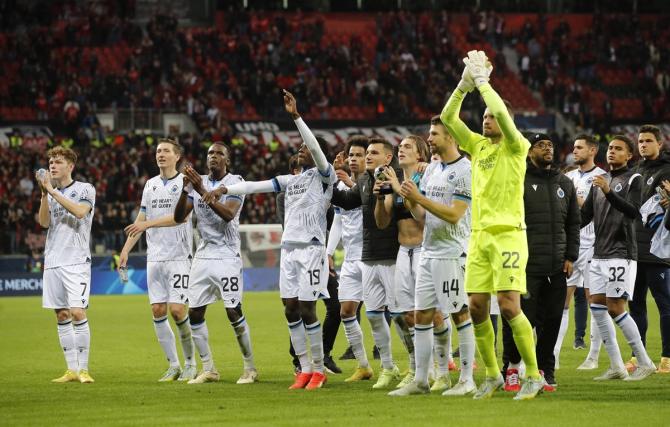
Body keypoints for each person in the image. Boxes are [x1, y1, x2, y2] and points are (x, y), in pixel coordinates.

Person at [210, 90, 334, 390]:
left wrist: (296, 116)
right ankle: (303, 368)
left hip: (312, 251)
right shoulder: (291, 181)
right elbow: (254, 186)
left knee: (307, 308)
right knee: (290, 309)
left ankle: (319, 369)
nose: (303, 149)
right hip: (289, 252)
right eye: (301, 147)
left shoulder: (324, 176)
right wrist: (225, 191)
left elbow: (316, 149)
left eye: (307, 148)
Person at [440, 50, 543, 400]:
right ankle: (492, 375)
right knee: (476, 307)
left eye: (490, 117)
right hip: (479, 236)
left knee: (510, 305)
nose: (486, 120)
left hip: (509, 235)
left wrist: (485, 83)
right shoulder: (478, 146)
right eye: (482, 117)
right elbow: (447, 117)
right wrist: (464, 85)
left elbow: (500, 110)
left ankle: (532, 374)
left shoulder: (517, 146)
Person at [388, 117, 476, 396]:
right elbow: (421, 216)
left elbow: (454, 214)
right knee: (422, 315)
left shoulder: (465, 171)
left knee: (459, 314)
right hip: (429, 251)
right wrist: (412, 199)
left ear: (451, 136)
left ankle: (466, 379)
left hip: (452, 253)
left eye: (435, 133)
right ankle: (422, 380)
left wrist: (420, 198)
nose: (430, 137)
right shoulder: (432, 169)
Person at [173, 142, 257, 384]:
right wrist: (184, 190)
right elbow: (180, 217)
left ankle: (250, 368)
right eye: (210, 153)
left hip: (227, 256)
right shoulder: (197, 182)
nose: (214, 157)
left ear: (227, 160)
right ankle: (209, 368)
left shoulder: (235, 182)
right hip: (203, 255)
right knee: (195, 312)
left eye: (219, 153)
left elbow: (228, 215)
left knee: (233, 311)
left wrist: (199, 189)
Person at [501, 133, 580, 393]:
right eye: (540, 145)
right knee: (521, 319)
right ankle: (512, 368)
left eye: (550, 145)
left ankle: (546, 371)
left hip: (557, 266)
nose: (547, 149)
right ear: (529, 151)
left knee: (553, 322)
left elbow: (573, 223)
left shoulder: (565, 183)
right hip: (526, 265)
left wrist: (570, 256)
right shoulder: (518, 180)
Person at [119, 138, 196, 382]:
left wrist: (147, 223)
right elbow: (140, 218)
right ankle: (173, 365)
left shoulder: (186, 183)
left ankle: (191, 364)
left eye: (165, 151)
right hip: (155, 258)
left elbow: (180, 218)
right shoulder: (150, 185)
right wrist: (125, 250)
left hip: (179, 256)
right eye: (158, 151)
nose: (160, 154)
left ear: (177, 156)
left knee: (177, 310)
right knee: (157, 309)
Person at [581, 135, 656, 381]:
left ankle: (645, 362)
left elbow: (633, 211)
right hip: (599, 254)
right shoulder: (599, 182)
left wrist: (608, 191)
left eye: (618, 149)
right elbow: (584, 217)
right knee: (598, 307)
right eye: (610, 148)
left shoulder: (635, 179)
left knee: (616, 306)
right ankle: (616, 366)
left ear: (629, 155)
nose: (612, 152)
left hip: (621, 254)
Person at [331, 137, 403, 389]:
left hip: (394, 256)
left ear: (388, 158)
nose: (368, 157)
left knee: (403, 315)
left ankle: (420, 367)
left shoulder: (398, 178)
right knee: (372, 315)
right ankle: (387, 367)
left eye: (372, 153)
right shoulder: (363, 181)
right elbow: (345, 201)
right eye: (366, 153)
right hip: (368, 255)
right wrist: (324, 176)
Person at [373, 135, 431, 389]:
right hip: (402, 251)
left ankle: (438, 371)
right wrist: (379, 197)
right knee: (407, 314)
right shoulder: (393, 178)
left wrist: (397, 186)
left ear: (420, 154)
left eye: (408, 146)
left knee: (431, 313)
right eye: (400, 147)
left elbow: (422, 219)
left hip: (423, 249)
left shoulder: (424, 176)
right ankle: (418, 370)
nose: (401, 150)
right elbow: (382, 222)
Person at [277, 154, 342, 376]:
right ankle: (302, 364)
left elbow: (333, 219)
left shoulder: (320, 185)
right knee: (295, 306)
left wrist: (328, 252)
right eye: (294, 170)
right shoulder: (285, 196)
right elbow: (289, 224)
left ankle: (323, 359)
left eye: (301, 170)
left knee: (333, 307)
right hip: (295, 252)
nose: (298, 174)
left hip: (317, 253)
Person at [36, 146, 96, 383]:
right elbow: (43, 223)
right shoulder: (50, 193)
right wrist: (43, 195)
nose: (52, 165)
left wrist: (51, 190)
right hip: (53, 261)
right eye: (50, 161)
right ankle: (71, 370)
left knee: (77, 312)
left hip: (76, 261)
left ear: (70, 166)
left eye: (58, 161)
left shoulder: (85, 189)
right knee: (61, 315)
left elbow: (80, 212)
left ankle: (84, 369)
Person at [554, 135, 606, 371]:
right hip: (572, 245)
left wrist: (580, 201)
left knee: (594, 300)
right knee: (561, 301)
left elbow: (602, 211)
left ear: (592, 150)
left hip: (595, 245)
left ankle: (593, 357)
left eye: (579, 147)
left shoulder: (603, 178)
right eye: (573, 147)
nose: (574, 151)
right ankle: (553, 355)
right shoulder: (568, 177)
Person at [327, 136, 376, 382]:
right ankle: (364, 365)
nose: (356, 159)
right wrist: (328, 252)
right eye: (352, 156)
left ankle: (407, 364)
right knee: (346, 312)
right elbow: (338, 220)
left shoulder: (377, 184)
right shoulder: (343, 189)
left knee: (395, 314)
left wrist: (354, 183)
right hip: (350, 259)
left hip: (375, 256)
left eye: (360, 155)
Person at [629, 124, 670, 374]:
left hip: (658, 250)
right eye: (640, 141)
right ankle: (639, 356)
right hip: (634, 249)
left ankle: (667, 357)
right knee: (636, 306)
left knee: (665, 304)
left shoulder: (667, 171)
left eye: (648, 141)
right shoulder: (636, 171)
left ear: (660, 143)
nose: (643, 145)